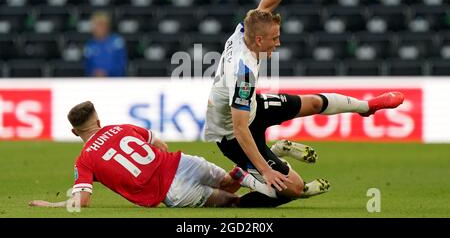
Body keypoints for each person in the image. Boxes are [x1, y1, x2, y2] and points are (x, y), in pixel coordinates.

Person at [204, 0, 404, 207]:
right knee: (290, 189)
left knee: (312, 103)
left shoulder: (244, 29)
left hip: (251, 108)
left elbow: (264, 6)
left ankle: (367, 107)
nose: (278, 43)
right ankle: (237, 196)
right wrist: (265, 170)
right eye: (274, 39)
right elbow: (241, 130)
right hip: (231, 136)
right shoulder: (243, 74)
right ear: (259, 40)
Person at [28, 101, 280, 209]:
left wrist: (52, 204)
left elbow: (82, 202)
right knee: (228, 180)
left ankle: (272, 191)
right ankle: (261, 171)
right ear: (99, 120)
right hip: (182, 163)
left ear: (74, 132)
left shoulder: (84, 160)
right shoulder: (123, 128)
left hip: (171, 192)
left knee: (230, 201)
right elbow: (161, 144)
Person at [84, 11, 127, 77]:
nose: (95, 28)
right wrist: (94, 73)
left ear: (106, 26)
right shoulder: (90, 45)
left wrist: (108, 73)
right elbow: (87, 67)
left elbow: (121, 65)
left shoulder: (117, 42)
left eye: (98, 25)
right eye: (94, 25)